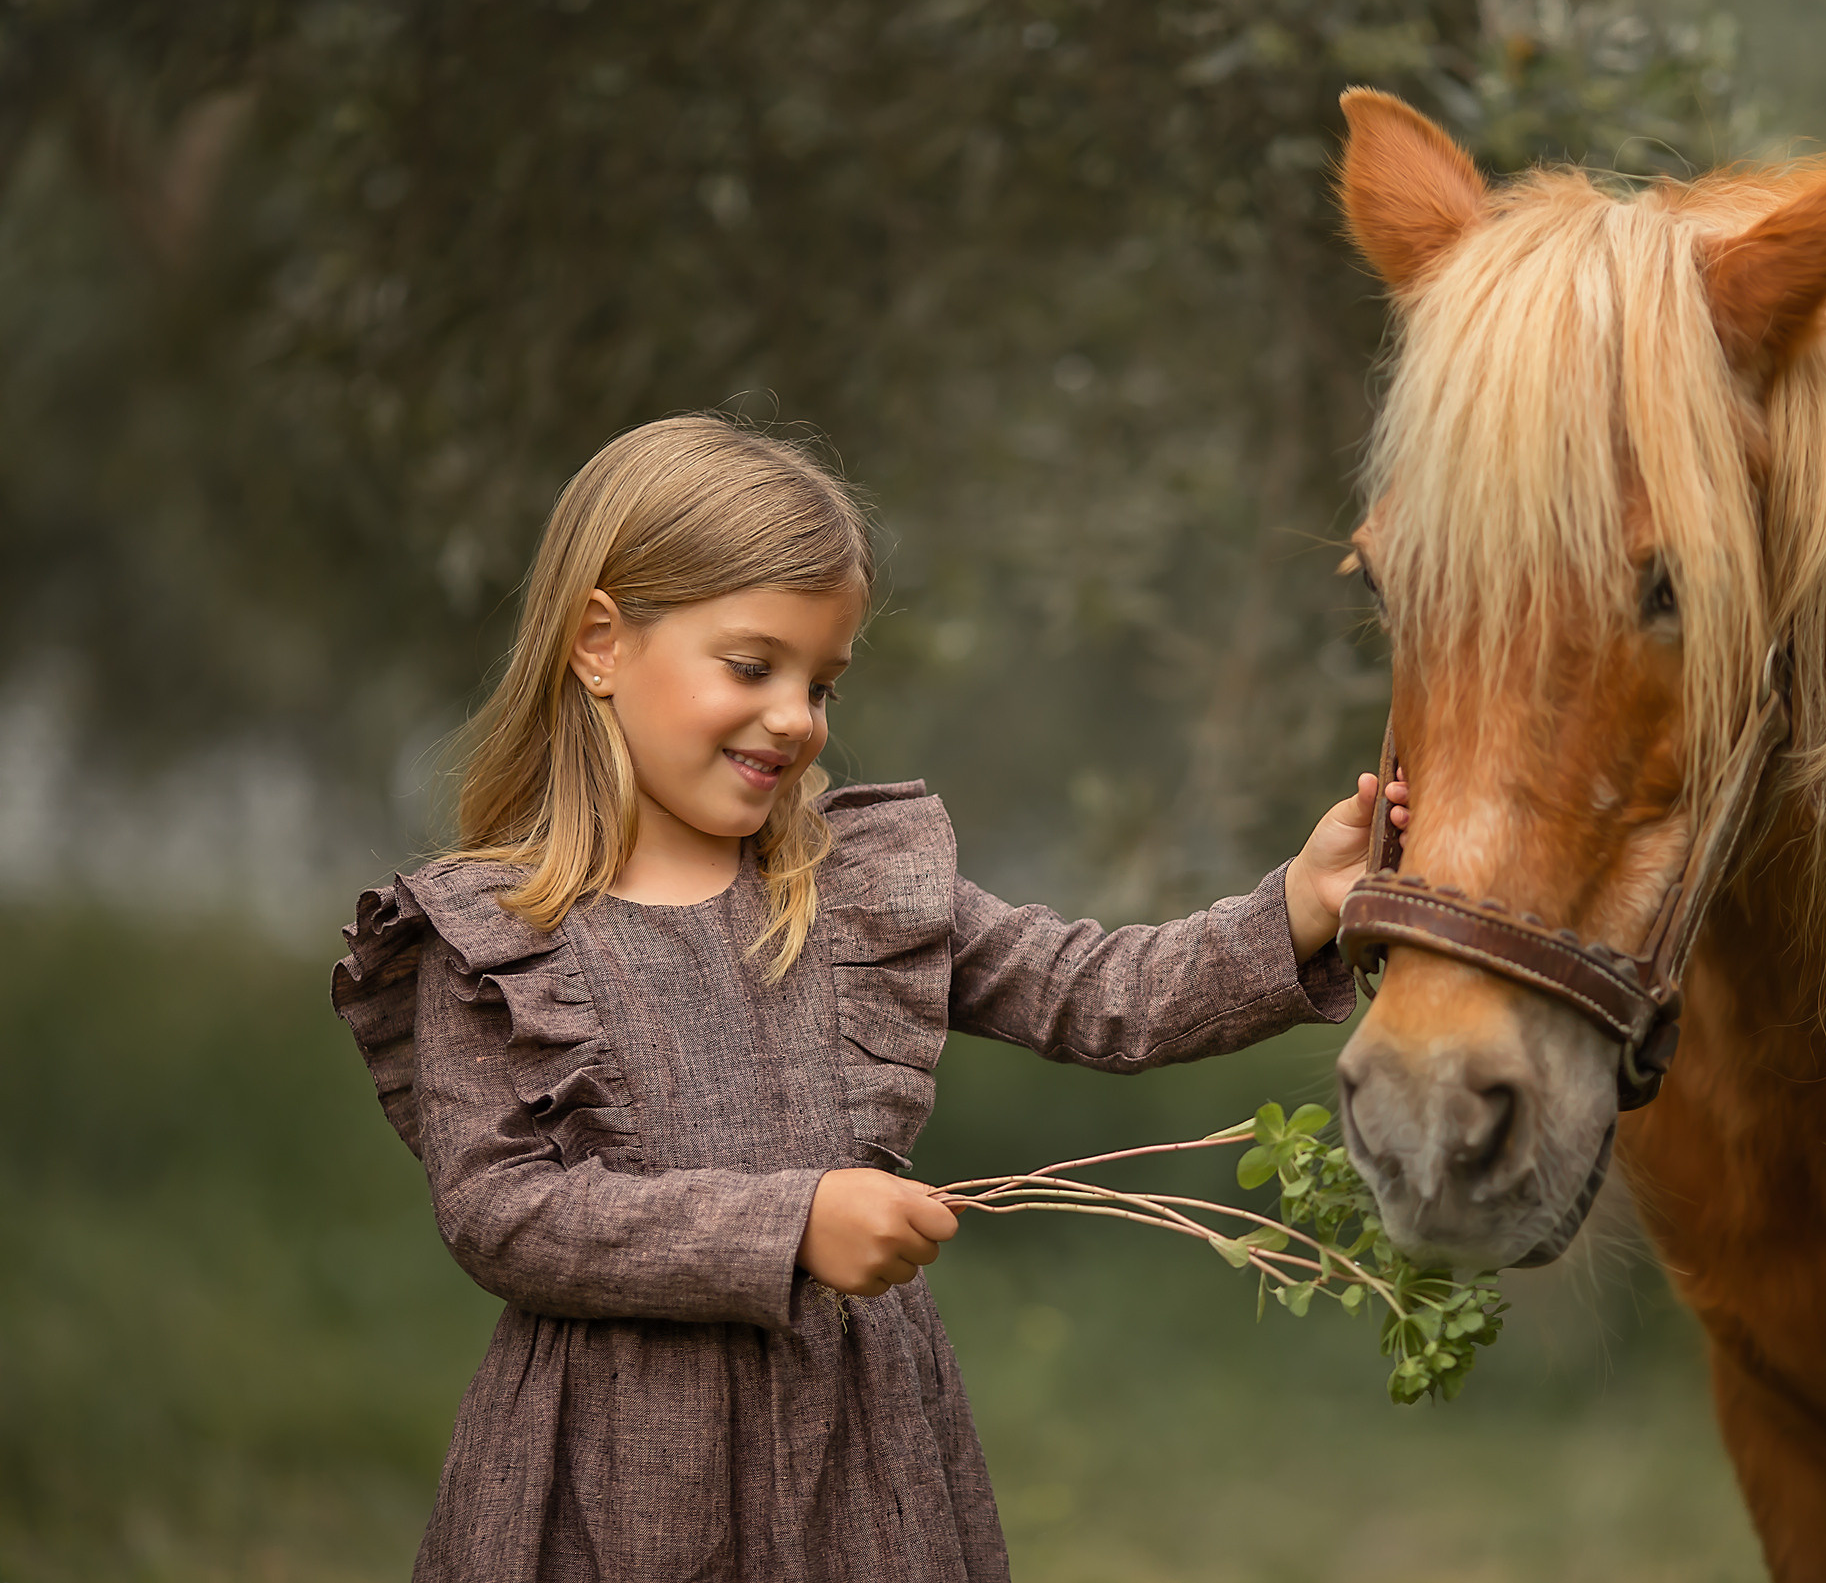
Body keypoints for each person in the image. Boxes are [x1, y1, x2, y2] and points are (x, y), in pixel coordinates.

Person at [331, 413, 1406, 1583]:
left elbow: (1097, 991)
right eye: (753, 666)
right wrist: (789, 1224)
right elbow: (505, 1214)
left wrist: (1296, 902)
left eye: (822, 681)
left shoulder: (853, 887)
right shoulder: (491, 936)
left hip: (860, 1466)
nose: (796, 716)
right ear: (600, 642)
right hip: (614, 1481)